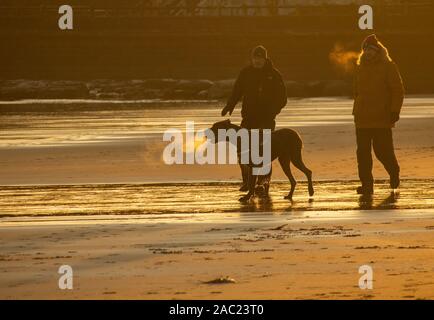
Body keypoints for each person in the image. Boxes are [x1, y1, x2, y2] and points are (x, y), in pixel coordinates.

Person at [221, 45, 287, 193]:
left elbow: (282, 98)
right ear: (251, 59)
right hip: (249, 118)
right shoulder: (246, 73)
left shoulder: (274, 75)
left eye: (260, 58)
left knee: (263, 152)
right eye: (255, 58)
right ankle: (247, 182)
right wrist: (229, 106)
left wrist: (273, 112)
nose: (257, 61)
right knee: (243, 152)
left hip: (266, 119)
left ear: (265, 58)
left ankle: (263, 183)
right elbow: (237, 90)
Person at [353, 34, 405, 195]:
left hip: (382, 117)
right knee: (362, 153)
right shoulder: (360, 67)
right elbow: (357, 91)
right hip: (362, 118)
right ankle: (367, 184)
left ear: (378, 51)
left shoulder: (388, 66)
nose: (368, 53)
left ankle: (393, 171)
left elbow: (398, 90)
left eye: (372, 50)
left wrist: (395, 111)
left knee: (383, 151)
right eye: (366, 50)